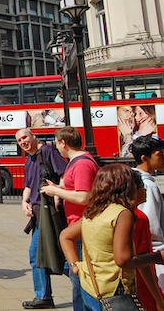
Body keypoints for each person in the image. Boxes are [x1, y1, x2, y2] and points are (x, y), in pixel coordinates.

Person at [60, 164, 164, 311]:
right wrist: (157, 257)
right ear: (128, 188)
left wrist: (74, 265)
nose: (145, 188)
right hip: (115, 291)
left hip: (92, 288)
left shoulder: (95, 211)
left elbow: (65, 235)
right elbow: (124, 260)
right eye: (140, 184)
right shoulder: (126, 215)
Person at [40, 126, 99, 311]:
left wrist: (56, 190)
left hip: (83, 226)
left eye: (56, 143)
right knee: (77, 276)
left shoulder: (81, 163)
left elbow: (84, 196)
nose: (56, 147)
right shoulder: (76, 161)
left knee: (82, 279)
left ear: (63, 143)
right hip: (77, 225)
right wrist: (59, 188)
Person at [16, 128, 68, 309]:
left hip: (51, 212)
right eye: (19, 140)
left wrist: (59, 194)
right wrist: (24, 202)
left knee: (58, 256)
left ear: (33, 136)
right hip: (38, 215)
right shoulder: (29, 159)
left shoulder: (47, 151)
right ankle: (44, 295)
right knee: (39, 255)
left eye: (24, 137)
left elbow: (63, 174)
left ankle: (86, 284)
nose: (22, 141)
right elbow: (28, 185)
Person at [132, 135, 164, 293]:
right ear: (145, 158)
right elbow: (150, 226)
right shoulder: (147, 186)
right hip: (153, 256)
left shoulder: (137, 181)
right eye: (160, 155)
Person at [129, 169, 164, 311]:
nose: (145, 190)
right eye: (142, 187)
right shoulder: (138, 217)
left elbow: (66, 235)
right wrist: (158, 298)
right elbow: (142, 261)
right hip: (141, 286)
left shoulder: (106, 212)